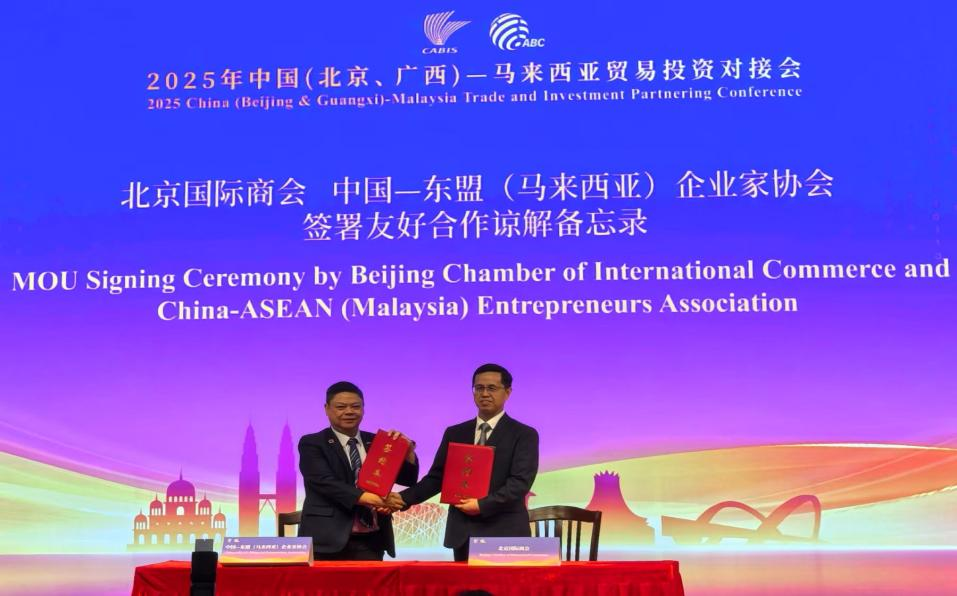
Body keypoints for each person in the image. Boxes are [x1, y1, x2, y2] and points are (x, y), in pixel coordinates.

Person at [391, 363, 539, 562]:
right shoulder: (455, 433)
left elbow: (519, 483)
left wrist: (481, 505)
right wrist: (401, 499)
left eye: (492, 388)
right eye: (479, 388)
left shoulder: (524, 434)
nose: (484, 394)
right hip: (463, 532)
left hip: (505, 532)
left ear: (508, 392)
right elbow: (437, 478)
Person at [298, 381, 418, 560]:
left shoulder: (378, 442)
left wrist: (408, 452)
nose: (349, 411)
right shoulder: (312, 443)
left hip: (372, 538)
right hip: (327, 539)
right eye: (341, 407)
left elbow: (407, 479)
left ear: (363, 409)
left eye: (355, 406)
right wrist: (377, 500)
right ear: (327, 409)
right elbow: (324, 482)